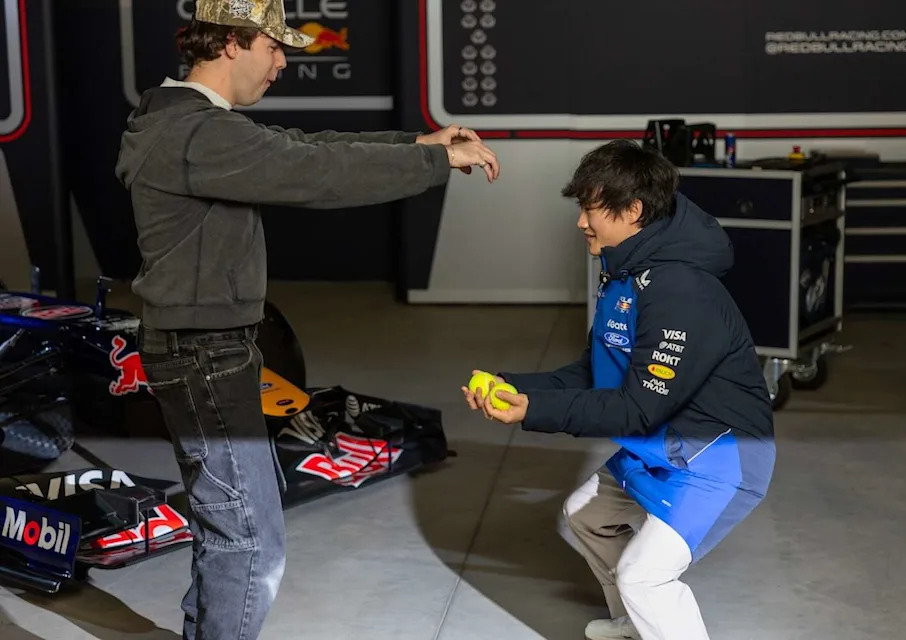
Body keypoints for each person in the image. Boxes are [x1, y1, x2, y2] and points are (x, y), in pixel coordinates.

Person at [115, 1, 500, 638]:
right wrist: (433, 163)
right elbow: (316, 172)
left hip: (205, 349)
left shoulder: (194, 124)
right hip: (205, 353)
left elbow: (301, 147)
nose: (282, 62)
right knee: (249, 541)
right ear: (233, 44)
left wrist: (415, 143)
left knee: (229, 526)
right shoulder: (196, 133)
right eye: (273, 47)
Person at [462, 140, 775, 640]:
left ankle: (646, 610)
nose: (581, 222)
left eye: (590, 209)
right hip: (663, 445)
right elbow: (595, 371)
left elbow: (639, 407)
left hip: (718, 459)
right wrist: (513, 386)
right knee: (586, 516)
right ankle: (635, 626)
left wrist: (535, 410)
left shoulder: (682, 293)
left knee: (644, 576)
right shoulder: (626, 272)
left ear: (633, 211)